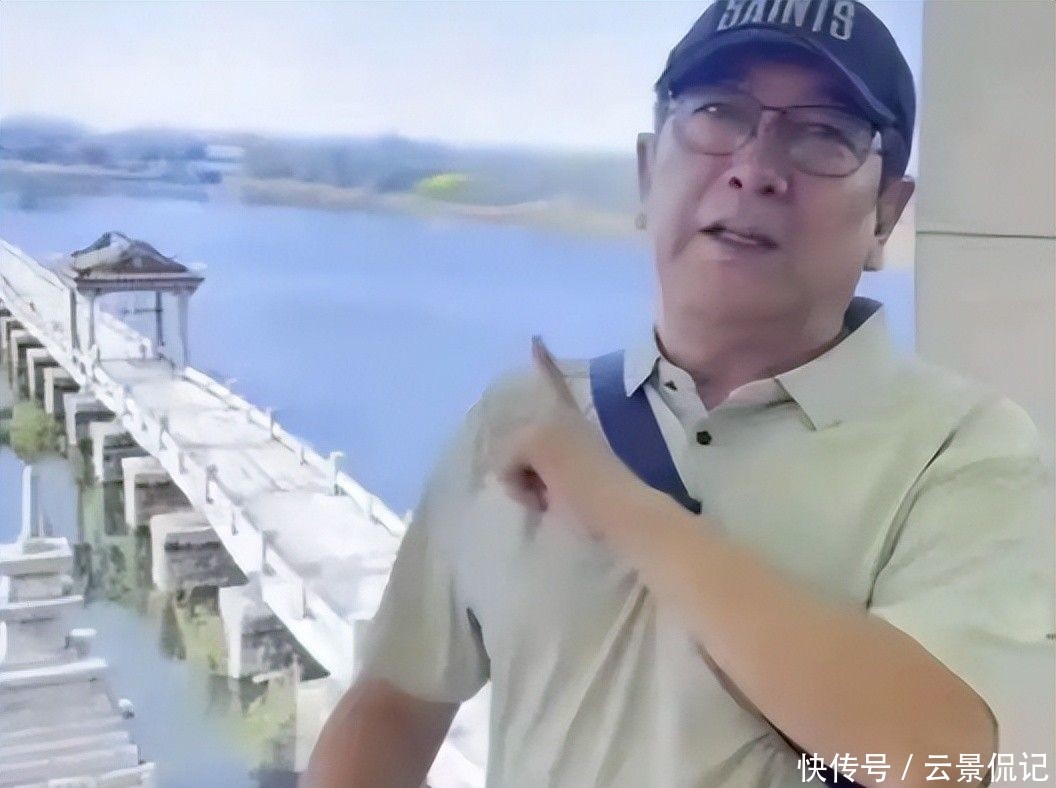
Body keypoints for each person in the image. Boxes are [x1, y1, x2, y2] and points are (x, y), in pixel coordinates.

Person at [302, 1, 1053, 786]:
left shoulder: (961, 449)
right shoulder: (524, 417)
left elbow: (934, 755)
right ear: (645, 171)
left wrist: (611, 499)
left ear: (885, 217)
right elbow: (396, 703)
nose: (756, 167)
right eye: (718, 112)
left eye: (824, 133)